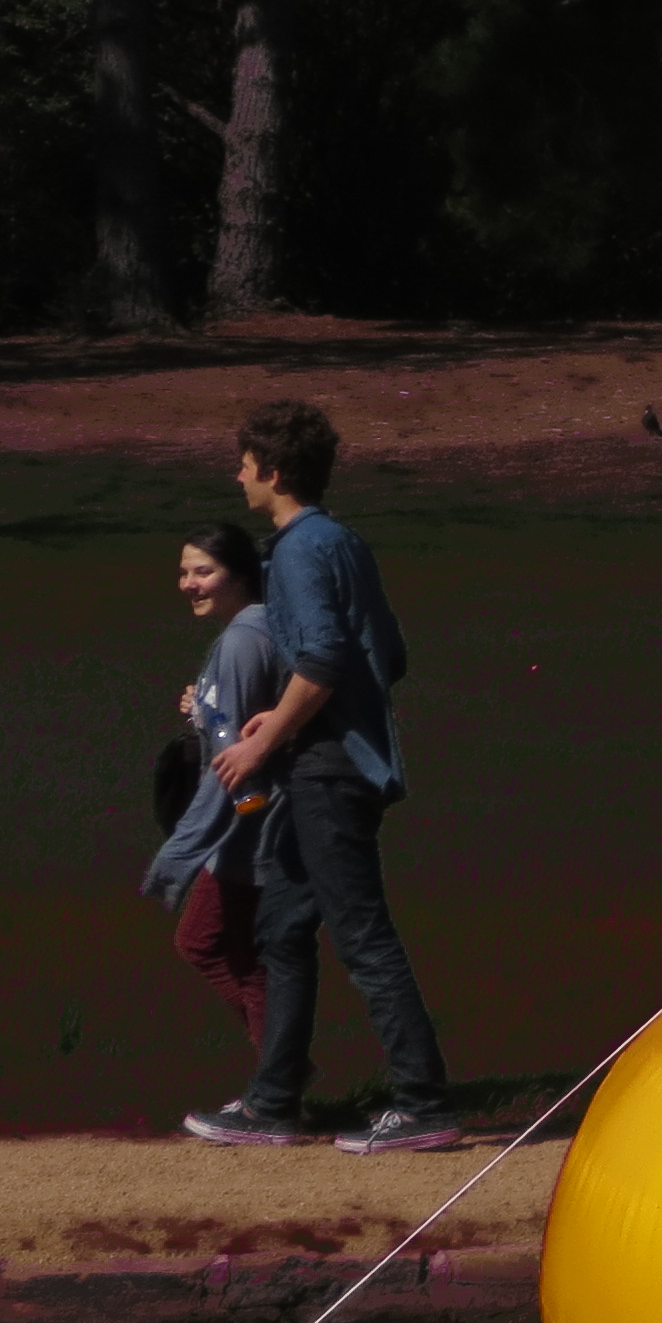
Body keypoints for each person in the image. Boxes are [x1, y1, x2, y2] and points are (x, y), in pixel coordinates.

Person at [182, 399, 463, 1151]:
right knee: (283, 928)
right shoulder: (342, 543)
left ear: (273, 473)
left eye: (244, 463)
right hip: (336, 759)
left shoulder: (301, 551)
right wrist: (289, 715)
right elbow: (386, 655)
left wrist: (267, 734)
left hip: (327, 770)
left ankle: (425, 1103)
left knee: (362, 935)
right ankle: (273, 1103)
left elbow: (326, 661)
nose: (237, 474)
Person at [143, 520, 280, 1037]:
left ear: (240, 574)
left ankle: (280, 1074)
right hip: (252, 817)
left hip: (246, 822)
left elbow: (233, 749)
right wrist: (203, 706)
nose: (189, 583)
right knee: (243, 952)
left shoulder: (243, 640)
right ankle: (280, 1077)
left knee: (203, 942)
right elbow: (235, 718)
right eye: (183, 572)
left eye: (204, 571)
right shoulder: (257, 629)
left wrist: (192, 842)